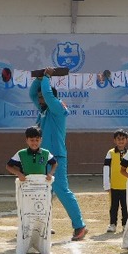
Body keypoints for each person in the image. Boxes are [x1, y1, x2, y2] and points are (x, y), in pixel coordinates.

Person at [29, 69, 90, 242]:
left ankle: (80, 226)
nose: (39, 100)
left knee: (61, 190)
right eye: (40, 98)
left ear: (51, 99)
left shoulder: (56, 108)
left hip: (56, 157)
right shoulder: (44, 110)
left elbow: (47, 95)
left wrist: (47, 78)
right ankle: (43, 224)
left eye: (42, 98)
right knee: (41, 192)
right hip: (42, 157)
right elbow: (32, 94)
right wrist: (39, 79)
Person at [7, 125, 57, 254]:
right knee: (27, 215)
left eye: (37, 140)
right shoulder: (21, 153)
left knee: (42, 214)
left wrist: (50, 174)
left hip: (42, 190)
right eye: (31, 140)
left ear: (41, 140)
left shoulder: (46, 153)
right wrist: (19, 174)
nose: (34, 143)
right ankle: (25, 240)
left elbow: (54, 163)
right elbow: (9, 166)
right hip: (27, 190)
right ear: (27, 140)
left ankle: (42, 242)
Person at [102, 129, 128, 231]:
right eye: (118, 139)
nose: (121, 141)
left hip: (127, 185)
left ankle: (125, 224)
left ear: (127, 140)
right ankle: (112, 224)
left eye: (123, 139)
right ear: (115, 140)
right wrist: (106, 184)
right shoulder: (110, 153)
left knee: (126, 206)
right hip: (114, 186)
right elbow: (106, 168)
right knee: (113, 207)